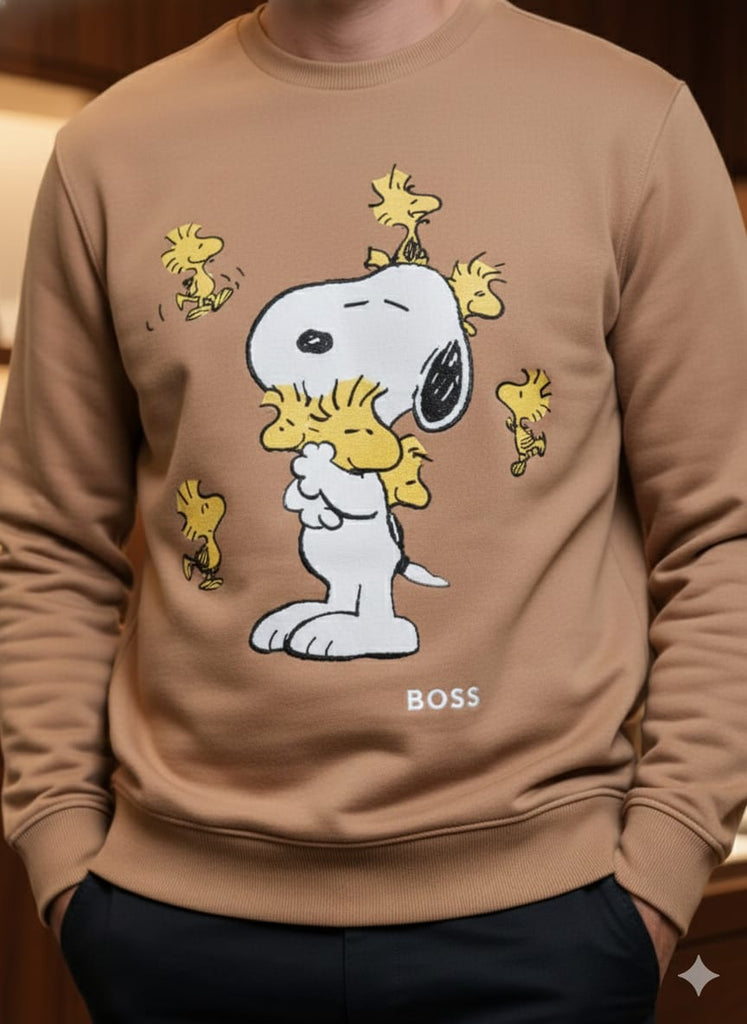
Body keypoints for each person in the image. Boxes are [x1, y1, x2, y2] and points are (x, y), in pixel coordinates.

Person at [0, 0, 745, 1020]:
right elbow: (45, 543)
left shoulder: (631, 124)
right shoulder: (112, 149)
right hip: (173, 927)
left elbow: (723, 530)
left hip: (549, 922)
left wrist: (660, 867)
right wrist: (59, 844)